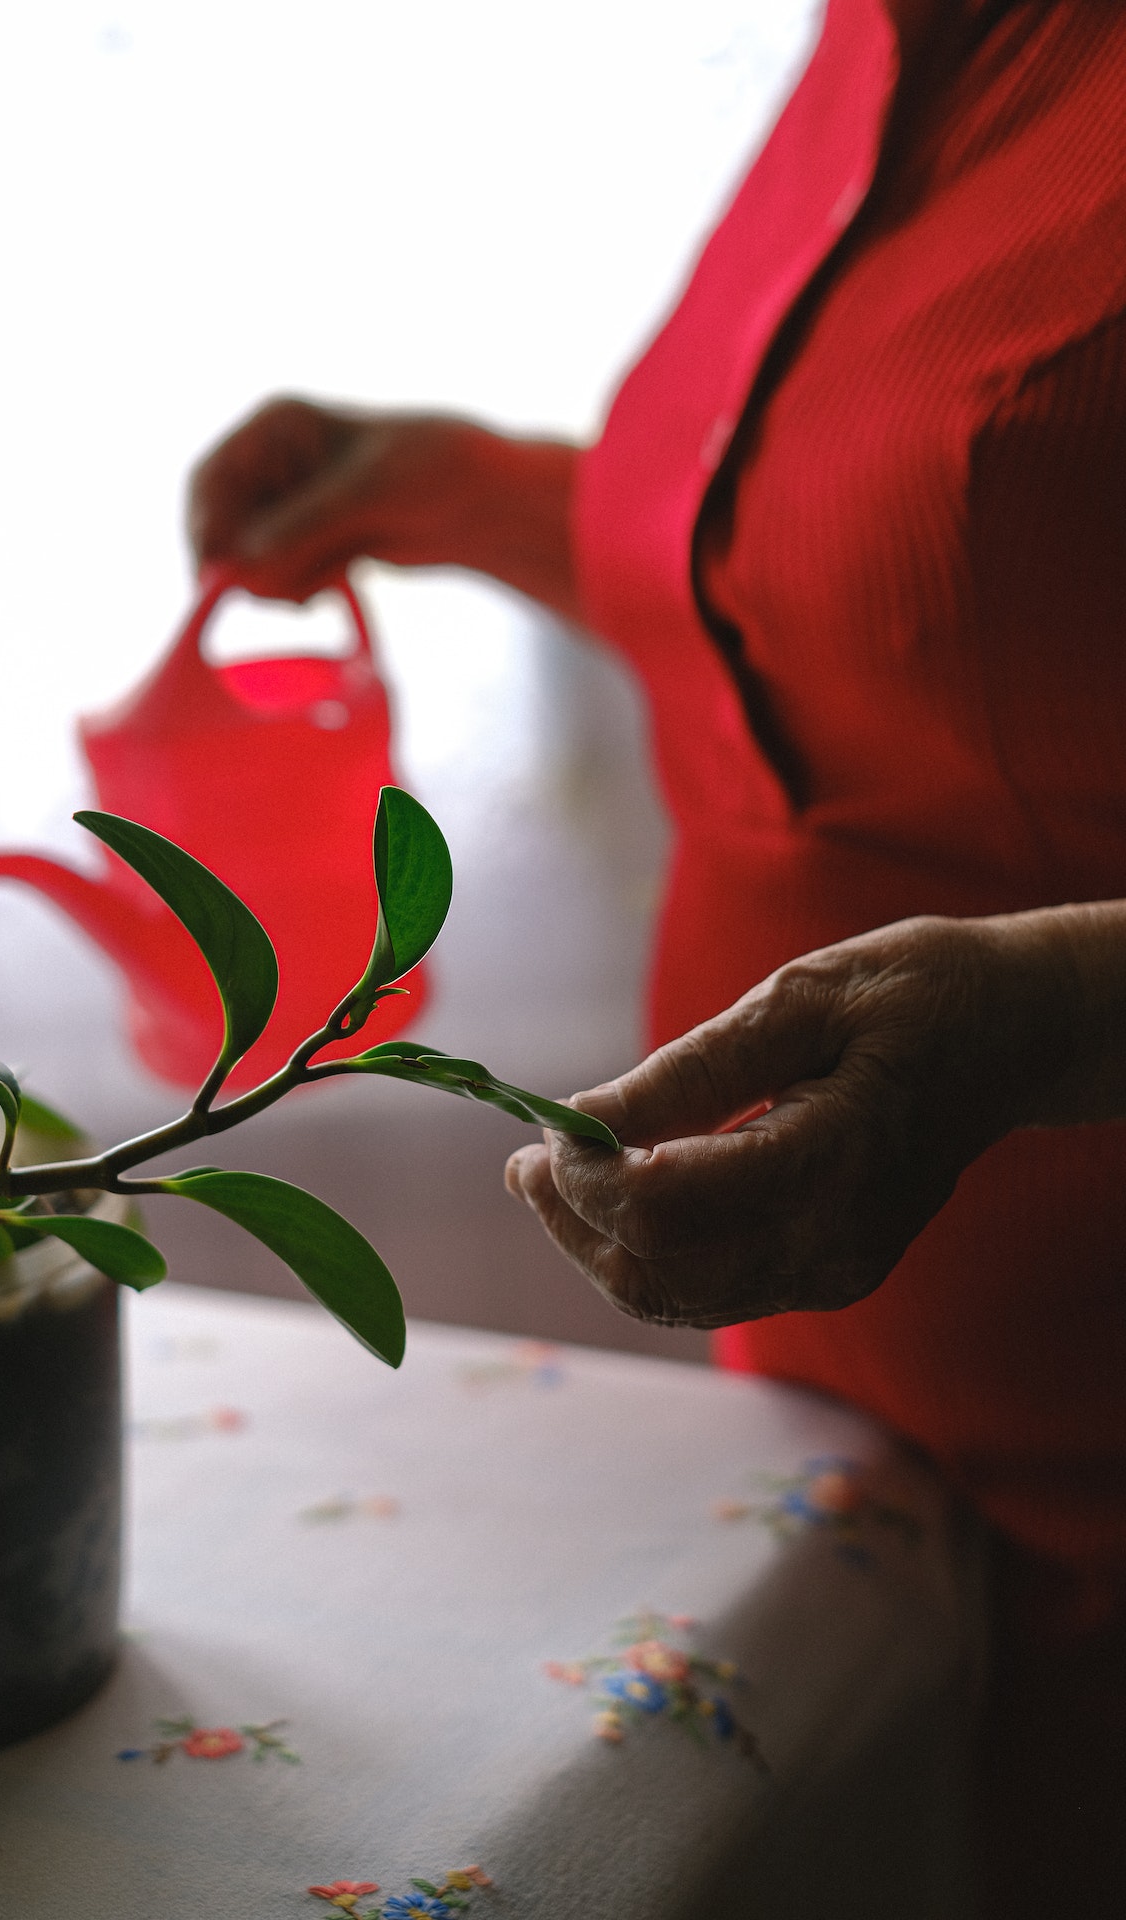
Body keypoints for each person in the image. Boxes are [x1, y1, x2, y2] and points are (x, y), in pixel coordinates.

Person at [189, 0, 1126, 1905]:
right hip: (844, 1439)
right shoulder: (879, 39)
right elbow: (925, 572)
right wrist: (473, 489)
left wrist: (1040, 1023)